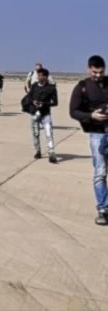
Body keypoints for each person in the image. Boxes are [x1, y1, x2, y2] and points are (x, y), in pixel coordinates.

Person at [69, 55, 108, 226]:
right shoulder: (82, 87)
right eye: (94, 72)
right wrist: (91, 116)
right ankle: (103, 208)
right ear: (88, 69)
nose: (98, 75)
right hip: (97, 133)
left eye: (100, 72)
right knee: (100, 172)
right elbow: (73, 111)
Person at [24, 68, 58, 162]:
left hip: (46, 114)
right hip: (35, 113)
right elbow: (29, 97)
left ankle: (51, 153)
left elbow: (55, 102)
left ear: (46, 77)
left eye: (40, 75)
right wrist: (33, 102)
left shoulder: (51, 88)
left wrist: (44, 104)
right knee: (35, 133)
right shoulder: (34, 86)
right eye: (38, 75)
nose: (38, 77)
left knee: (49, 133)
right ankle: (38, 151)